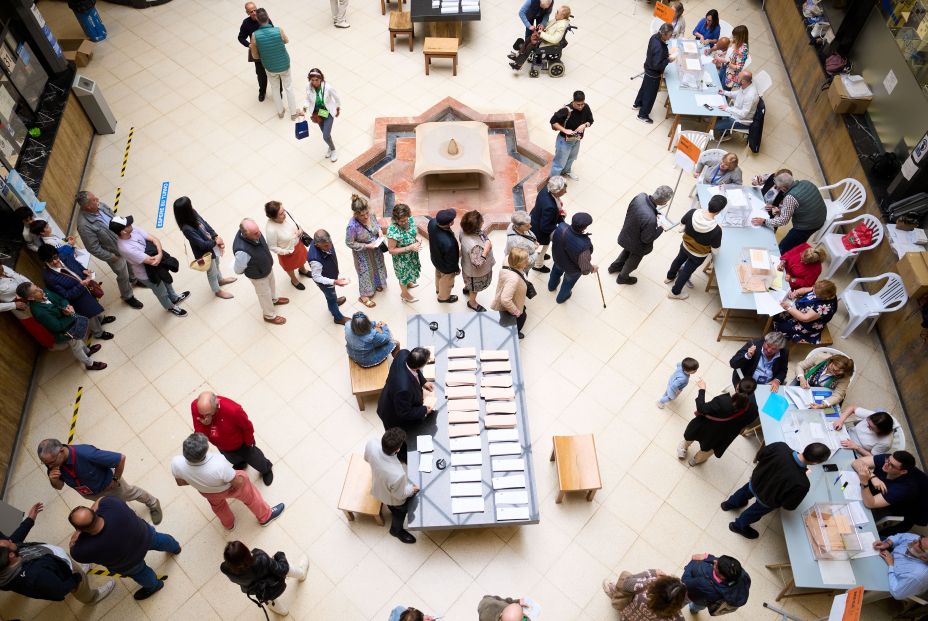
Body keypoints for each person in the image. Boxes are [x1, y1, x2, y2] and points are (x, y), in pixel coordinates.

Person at [0, 502, 116, 604]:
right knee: (80, 586)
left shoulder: (6, 556)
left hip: (57, 563)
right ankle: (91, 598)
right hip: (66, 574)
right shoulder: (37, 577)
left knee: (73, 569)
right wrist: (75, 578)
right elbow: (59, 591)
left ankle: (76, 571)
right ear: (11, 556)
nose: (9, 539)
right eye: (7, 542)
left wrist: (30, 520)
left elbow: (14, 541)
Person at [68, 497, 181, 600]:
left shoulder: (83, 549)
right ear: (95, 511)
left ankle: (155, 585)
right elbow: (101, 499)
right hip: (144, 535)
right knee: (161, 540)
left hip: (128, 563)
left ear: (81, 529)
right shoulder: (112, 504)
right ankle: (175, 547)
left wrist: (78, 532)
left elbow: (73, 548)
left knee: (142, 574)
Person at [171, 433, 284, 530]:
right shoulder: (218, 463)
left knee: (218, 507)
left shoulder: (176, 462)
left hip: (207, 492)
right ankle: (265, 516)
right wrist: (242, 478)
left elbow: (181, 482)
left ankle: (228, 524)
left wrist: (198, 480)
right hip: (228, 488)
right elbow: (237, 483)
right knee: (251, 496)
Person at [722, 442, 832, 539]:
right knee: (753, 513)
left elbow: (760, 456)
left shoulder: (780, 447)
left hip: (756, 481)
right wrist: (802, 474)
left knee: (743, 492)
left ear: (807, 447)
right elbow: (789, 506)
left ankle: (728, 504)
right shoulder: (802, 484)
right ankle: (738, 526)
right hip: (766, 500)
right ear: (814, 463)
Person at [37, 438, 162, 522]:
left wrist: (115, 479)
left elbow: (121, 459)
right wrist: (53, 480)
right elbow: (59, 486)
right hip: (90, 493)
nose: (49, 466)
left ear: (62, 451)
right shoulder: (52, 465)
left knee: (130, 493)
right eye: (46, 464)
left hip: (110, 486)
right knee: (114, 505)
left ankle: (153, 503)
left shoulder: (86, 454)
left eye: (51, 462)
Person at [75, 190, 143, 309]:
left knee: (131, 262)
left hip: (123, 242)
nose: (98, 199)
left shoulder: (100, 206)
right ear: (87, 206)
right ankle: (127, 296)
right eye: (94, 200)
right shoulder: (84, 225)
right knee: (123, 275)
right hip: (113, 253)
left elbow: (114, 217)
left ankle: (135, 279)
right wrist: (112, 257)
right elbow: (93, 248)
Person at [110, 215, 189, 317]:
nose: (131, 224)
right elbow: (152, 261)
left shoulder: (133, 229)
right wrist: (157, 253)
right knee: (161, 292)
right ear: (123, 231)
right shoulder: (126, 248)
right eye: (128, 224)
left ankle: (174, 298)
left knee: (166, 281)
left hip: (157, 264)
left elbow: (154, 239)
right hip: (146, 274)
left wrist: (159, 253)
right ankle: (170, 306)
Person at [17, 282, 108, 371]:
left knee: (79, 340)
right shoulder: (39, 312)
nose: (40, 290)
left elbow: (61, 299)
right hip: (65, 331)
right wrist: (70, 315)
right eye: (35, 291)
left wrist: (67, 306)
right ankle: (89, 364)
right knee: (76, 346)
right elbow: (57, 326)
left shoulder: (45, 291)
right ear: (30, 297)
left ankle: (87, 351)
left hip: (69, 321)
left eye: (36, 286)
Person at [192, 391, 275, 485]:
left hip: (241, 444)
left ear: (216, 405)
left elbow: (247, 427)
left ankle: (266, 469)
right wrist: (206, 425)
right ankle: (241, 463)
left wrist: (249, 443)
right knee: (232, 459)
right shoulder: (196, 407)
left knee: (256, 459)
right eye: (202, 414)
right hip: (222, 445)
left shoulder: (234, 410)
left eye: (207, 414)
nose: (203, 416)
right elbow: (199, 431)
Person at [38, 244, 114, 341]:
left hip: (87, 286)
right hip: (77, 297)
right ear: (45, 261)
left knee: (95, 305)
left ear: (57, 253)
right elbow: (66, 295)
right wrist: (81, 285)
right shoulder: (49, 277)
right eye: (50, 260)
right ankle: (98, 333)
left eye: (55, 257)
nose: (55, 261)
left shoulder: (64, 256)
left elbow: (77, 265)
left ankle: (101, 319)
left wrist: (84, 271)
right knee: (90, 314)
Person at [678, 377, 758, 467]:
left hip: (705, 425)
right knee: (707, 450)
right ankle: (695, 461)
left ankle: (683, 449)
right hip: (723, 435)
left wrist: (702, 389)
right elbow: (747, 423)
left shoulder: (723, 401)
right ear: (752, 393)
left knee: (691, 436)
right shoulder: (753, 409)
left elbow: (702, 408)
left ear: (737, 386)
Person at [221, 540, 308, 617]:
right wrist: (280, 555)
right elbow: (283, 569)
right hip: (275, 583)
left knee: (268, 600)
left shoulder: (224, 569)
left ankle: (283, 612)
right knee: (287, 568)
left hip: (259, 591)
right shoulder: (260, 557)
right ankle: (301, 574)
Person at [364, 428, 420, 544]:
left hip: (377, 486)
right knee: (400, 511)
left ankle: (391, 509)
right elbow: (400, 496)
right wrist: (412, 489)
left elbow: (366, 459)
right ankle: (396, 530)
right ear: (398, 449)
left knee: (393, 505)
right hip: (392, 498)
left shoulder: (372, 443)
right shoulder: (397, 475)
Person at [852, 451, 928, 536]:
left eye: (892, 465)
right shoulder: (891, 460)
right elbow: (856, 462)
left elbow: (870, 503)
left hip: (899, 510)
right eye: (888, 460)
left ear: (903, 472)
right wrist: (873, 477)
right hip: (881, 492)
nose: (886, 464)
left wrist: (864, 483)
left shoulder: (904, 488)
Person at [173, 196, 235, 299]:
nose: (192, 207)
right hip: (205, 253)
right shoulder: (186, 229)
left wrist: (215, 236)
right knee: (211, 271)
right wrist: (216, 242)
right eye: (190, 206)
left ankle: (220, 280)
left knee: (217, 263)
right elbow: (201, 245)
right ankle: (217, 290)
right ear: (185, 210)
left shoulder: (193, 213)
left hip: (212, 245)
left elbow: (206, 224)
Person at [609, 185, 673, 284]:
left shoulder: (640, 196)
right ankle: (622, 277)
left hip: (627, 234)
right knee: (633, 262)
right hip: (638, 246)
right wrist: (661, 227)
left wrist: (654, 213)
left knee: (626, 251)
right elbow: (647, 239)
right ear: (663, 202)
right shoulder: (651, 220)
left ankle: (614, 267)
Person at [750, 174, 828, 254]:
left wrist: (764, 221)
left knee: (784, 246)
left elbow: (783, 221)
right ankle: (796, 250)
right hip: (821, 214)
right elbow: (800, 204)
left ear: (783, 189)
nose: (775, 188)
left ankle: (783, 258)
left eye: (777, 187)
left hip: (809, 224)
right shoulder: (805, 182)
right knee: (798, 243)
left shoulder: (790, 198)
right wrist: (780, 210)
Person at [665, 195, 725, 300]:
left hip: (685, 245)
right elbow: (715, 251)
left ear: (709, 203)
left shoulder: (693, 212)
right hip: (698, 255)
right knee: (686, 272)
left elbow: (682, 223)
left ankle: (669, 277)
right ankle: (674, 293)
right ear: (719, 211)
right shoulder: (716, 230)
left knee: (678, 260)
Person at [376, 347, 435, 452]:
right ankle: (402, 454)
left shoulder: (404, 353)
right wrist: (424, 410)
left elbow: (415, 370)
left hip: (393, 393)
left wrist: (423, 382)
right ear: (420, 366)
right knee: (399, 437)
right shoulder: (404, 389)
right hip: (392, 412)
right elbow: (404, 412)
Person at [233, 218, 289, 325]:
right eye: (255, 233)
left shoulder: (254, 233)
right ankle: (269, 315)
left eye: (258, 230)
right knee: (264, 294)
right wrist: (255, 268)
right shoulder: (242, 251)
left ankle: (274, 299)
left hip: (266, 267)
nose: (259, 233)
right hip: (258, 276)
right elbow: (238, 270)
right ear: (245, 235)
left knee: (272, 285)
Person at [249, 8, 297, 120]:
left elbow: (255, 56)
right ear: (267, 17)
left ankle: (280, 112)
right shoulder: (278, 30)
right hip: (284, 64)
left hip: (270, 67)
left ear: (257, 19)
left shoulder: (254, 35)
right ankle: (293, 113)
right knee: (289, 87)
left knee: (275, 89)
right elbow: (286, 41)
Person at [346, 195, 389, 307]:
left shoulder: (371, 214)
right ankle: (364, 295)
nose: (366, 217)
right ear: (356, 214)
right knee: (365, 272)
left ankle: (377, 283)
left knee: (377, 266)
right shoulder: (352, 226)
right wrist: (367, 246)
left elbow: (377, 225)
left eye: (366, 213)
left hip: (376, 249)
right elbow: (349, 243)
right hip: (363, 253)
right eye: (362, 215)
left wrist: (379, 231)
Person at [548, 212, 596, 303]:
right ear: (584, 227)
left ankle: (551, 287)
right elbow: (585, 269)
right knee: (568, 283)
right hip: (572, 270)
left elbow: (552, 238)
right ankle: (560, 299)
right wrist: (592, 268)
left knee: (555, 272)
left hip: (557, 259)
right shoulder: (584, 245)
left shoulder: (561, 227)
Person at [772, 279, 839, 345]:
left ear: (823, 297)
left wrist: (788, 308)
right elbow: (806, 289)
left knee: (781, 327)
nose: (813, 292)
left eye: (815, 293)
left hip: (807, 323)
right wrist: (796, 292)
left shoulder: (826, 307)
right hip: (801, 310)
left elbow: (805, 318)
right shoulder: (820, 289)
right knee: (776, 314)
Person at [601, 570, 687, 620]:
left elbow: (626, 583)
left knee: (625, 576)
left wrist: (653, 573)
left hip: (627, 614)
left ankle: (614, 592)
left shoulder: (642, 588)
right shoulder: (676, 617)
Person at [681, 554, 750, 615]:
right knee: (700, 606)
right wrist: (707, 557)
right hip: (708, 600)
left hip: (697, 596)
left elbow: (685, 581)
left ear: (722, 576)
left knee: (687, 599)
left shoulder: (703, 581)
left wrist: (692, 563)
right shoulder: (740, 574)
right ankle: (694, 610)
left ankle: (690, 608)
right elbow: (718, 561)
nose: (714, 561)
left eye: (716, 565)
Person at [264, 200, 310, 290]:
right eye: (281, 214)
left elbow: (295, 220)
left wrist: (300, 229)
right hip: (286, 251)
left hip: (298, 244)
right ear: (274, 217)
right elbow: (272, 246)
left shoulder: (286, 212)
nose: (285, 214)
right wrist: (286, 252)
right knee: (290, 267)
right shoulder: (271, 230)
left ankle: (302, 270)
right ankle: (294, 280)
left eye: (283, 210)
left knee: (302, 258)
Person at [634, 22, 675, 124]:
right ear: (664, 34)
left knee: (644, 87)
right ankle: (642, 115)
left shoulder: (654, 37)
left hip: (647, 68)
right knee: (650, 94)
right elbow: (658, 66)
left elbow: (655, 55)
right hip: (653, 73)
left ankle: (638, 103)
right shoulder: (660, 48)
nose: (670, 37)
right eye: (670, 35)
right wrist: (668, 60)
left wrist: (665, 55)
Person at [509, 4, 571, 71]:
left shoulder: (561, 26)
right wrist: (542, 25)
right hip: (545, 37)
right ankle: (518, 55)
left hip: (549, 43)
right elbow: (548, 24)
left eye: (557, 12)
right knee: (529, 39)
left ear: (562, 16)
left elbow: (555, 39)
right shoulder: (557, 20)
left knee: (530, 46)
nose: (555, 13)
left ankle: (519, 64)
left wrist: (542, 34)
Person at [307, 229, 350, 325]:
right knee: (330, 297)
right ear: (317, 245)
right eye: (326, 246)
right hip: (325, 283)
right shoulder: (315, 260)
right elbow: (316, 277)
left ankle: (334, 301)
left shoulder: (326, 242)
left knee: (332, 295)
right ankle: (338, 318)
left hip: (330, 276)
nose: (330, 246)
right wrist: (334, 281)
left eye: (330, 243)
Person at [549, 90, 594, 180]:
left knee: (572, 157)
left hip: (576, 138)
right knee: (559, 162)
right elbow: (553, 121)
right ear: (573, 101)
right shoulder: (566, 110)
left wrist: (584, 125)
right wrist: (564, 130)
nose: (581, 107)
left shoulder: (586, 107)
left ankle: (566, 171)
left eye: (582, 104)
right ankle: (553, 180)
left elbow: (591, 120)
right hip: (564, 140)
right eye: (578, 104)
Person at [459, 210, 497, 312]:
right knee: (474, 289)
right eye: (481, 221)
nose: (483, 221)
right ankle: (472, 303)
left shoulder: (463, 231)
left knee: (469, 284)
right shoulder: (473, 245)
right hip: (475, 274)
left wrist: (487, 241)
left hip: (467, 266)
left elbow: (482, 235)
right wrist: (486, 249)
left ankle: (467, 288)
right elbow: (477, 263)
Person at [529, 175, 567, 273]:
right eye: (564, 190)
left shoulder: (546, 189)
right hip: (540, 233)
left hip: (535, 218)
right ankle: (538, 265)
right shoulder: (550, 207)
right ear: (557, 191)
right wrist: (560, 229)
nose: (566, 191)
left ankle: (542, 253)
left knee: (540, 250)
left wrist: (561, 220)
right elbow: (545, 227)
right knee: (540, 250)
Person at [302, 68, 342, 162]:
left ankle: (333, 150)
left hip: (328, 112)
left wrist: (337, 108)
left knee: (325, 135)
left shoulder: (328, 87)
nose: (315, 82)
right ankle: (330, 147)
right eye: (312, 80)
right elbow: (307, 99)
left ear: (321, 78)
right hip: (318, 114)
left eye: (317, 80)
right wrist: (305, 107)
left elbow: (337, 98)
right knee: (325, 133)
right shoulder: (308, 86)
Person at [873, 533, 928, 600]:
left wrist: (891, 564)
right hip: (888, 557)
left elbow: (897, 593)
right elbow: (901, 536)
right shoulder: (917, 540)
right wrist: (887, 543)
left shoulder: (916, 576)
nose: (914, 541)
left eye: (919, 545)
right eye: (920, 538)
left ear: (924, 558)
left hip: (892, 580)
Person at [237, 2, 273, 102]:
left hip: (269, 51)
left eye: (254, 10)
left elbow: (272, 30)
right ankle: (262, 92)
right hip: (257, 53)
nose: (253, 13)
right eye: (251, 11)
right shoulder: (246, 23)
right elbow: (241, 37)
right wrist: (249, 45)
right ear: (247, 13)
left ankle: (279, 91)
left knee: (275, 72)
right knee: (261, 74)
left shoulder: (264, 18)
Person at [387, 203, 422, 304]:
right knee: (403, 276)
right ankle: (404, 294)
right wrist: (410, 247)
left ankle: (409, 283)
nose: (405, 222)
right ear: (396, 219)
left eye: (406, 219)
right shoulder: (393, 231)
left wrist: (416, 237)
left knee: (410, 270)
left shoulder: (409, 219)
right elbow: (391, 250)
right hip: (402, 260)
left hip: (411, 255)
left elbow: (413, 231)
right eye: (402, 221)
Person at [491, 248, 530, 338]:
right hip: (511, 305)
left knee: (504, 317)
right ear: (519, 264)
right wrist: (515, 311)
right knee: (522, 317)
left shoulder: (508, 259)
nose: (527, 263)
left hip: (509, 297)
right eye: (525, 261)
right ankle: (515, 333)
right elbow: (505, 299)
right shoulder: (514, 279)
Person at [833, 406, 897, 457]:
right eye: (868, 423)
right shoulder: (875, 417)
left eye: (871, 427)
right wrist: (840, 420)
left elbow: (872, 458)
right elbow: (852, 408)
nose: (867, 426)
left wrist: (857, 447)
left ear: (881, 431)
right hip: (845, 434)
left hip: (854, 451)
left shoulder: (885, 443)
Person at [426, 208, 460, 303]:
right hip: (446, 266)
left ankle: (438, 289)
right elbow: (451, 261)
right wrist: (456, 269)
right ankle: (443, 297)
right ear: (450, 223)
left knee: (438, 274)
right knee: (447, 280)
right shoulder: (449, 243)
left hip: (435, 258)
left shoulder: (432, 223)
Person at [716, 71, 759, 136]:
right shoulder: (746, 86)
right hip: (734, 112)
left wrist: (727, 109)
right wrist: (724, 92)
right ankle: (724, 125)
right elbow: (736, 94)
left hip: (740, 121)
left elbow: (743, 114)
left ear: (743, 81)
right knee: (717, 113)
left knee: (716, 125)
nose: (735, 78)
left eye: (738, 77)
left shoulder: (750, 96)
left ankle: (726, 134)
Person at [715, 25, 748, 89]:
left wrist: (726, 62)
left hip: (730, 73)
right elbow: (731, 51)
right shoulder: (736, 41)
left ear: (741, 37)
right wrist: (723, 54)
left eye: (735, 37)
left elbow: (738, 68)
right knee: (718, 84)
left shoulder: (744, 50)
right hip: (724, 67)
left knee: (723, 91)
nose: (733, 38)